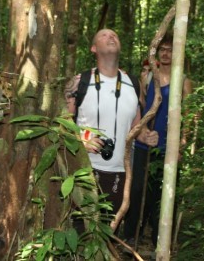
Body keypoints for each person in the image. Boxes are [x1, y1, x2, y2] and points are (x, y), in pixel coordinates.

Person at [65, 29, 154, 215]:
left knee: (108, 228)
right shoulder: (80, 81)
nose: (111, 36)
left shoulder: (132, 83)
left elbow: (136, 128)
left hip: (120, 172)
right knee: (80, 227)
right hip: (84, 168)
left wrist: (147, 136)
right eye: (104, 35)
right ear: (94, 48)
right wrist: (80, 139)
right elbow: (62, 124)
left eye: (115, 35)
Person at [123, 34, 193, 245]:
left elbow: (187, 117)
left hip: (168, 148)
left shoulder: (183, 82)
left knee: (163, 194)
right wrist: (143, 131)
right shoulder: (148, 78)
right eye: (162, 49)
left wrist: (181, 145)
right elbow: (141, 108)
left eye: (170, 49)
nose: (165, 53)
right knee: (137, 190)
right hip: (145, 143)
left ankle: (159, 243)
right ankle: (131, 238)